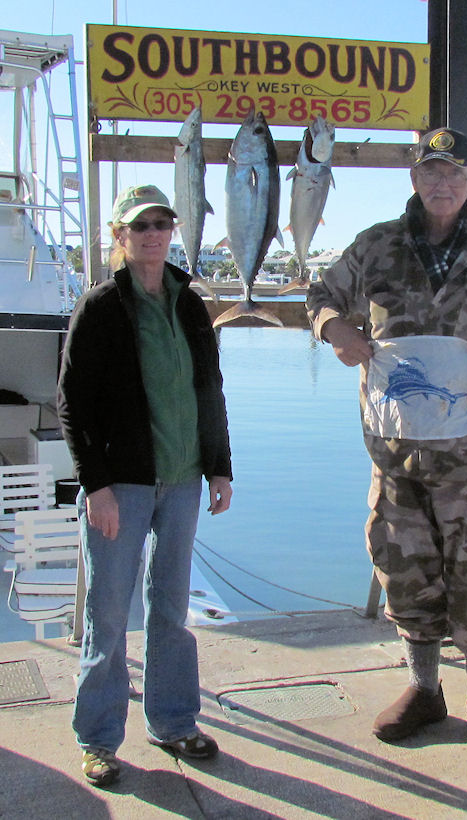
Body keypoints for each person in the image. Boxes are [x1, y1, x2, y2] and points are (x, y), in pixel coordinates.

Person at [306, 128, 467, 757]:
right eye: (431, 172)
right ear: (415, 179)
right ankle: (425, 691)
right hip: (396, 454)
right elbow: (319, 297)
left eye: (454, 173)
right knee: (405, 575)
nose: (442, 183)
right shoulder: (376, 245)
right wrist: (334, 328)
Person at [57, 184, 233, 787]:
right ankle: (99, 739)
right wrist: (96, 486)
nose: (154, 233)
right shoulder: (100, 307)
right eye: (141, 226)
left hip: (183, 482)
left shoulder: (189, 303)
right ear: (121, 238)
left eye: (162, 222)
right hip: (122, 486)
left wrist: (220, 466)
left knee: (173, 609)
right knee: (107, 616)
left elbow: (209, 390)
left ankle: (174, 721)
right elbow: (72, 405)